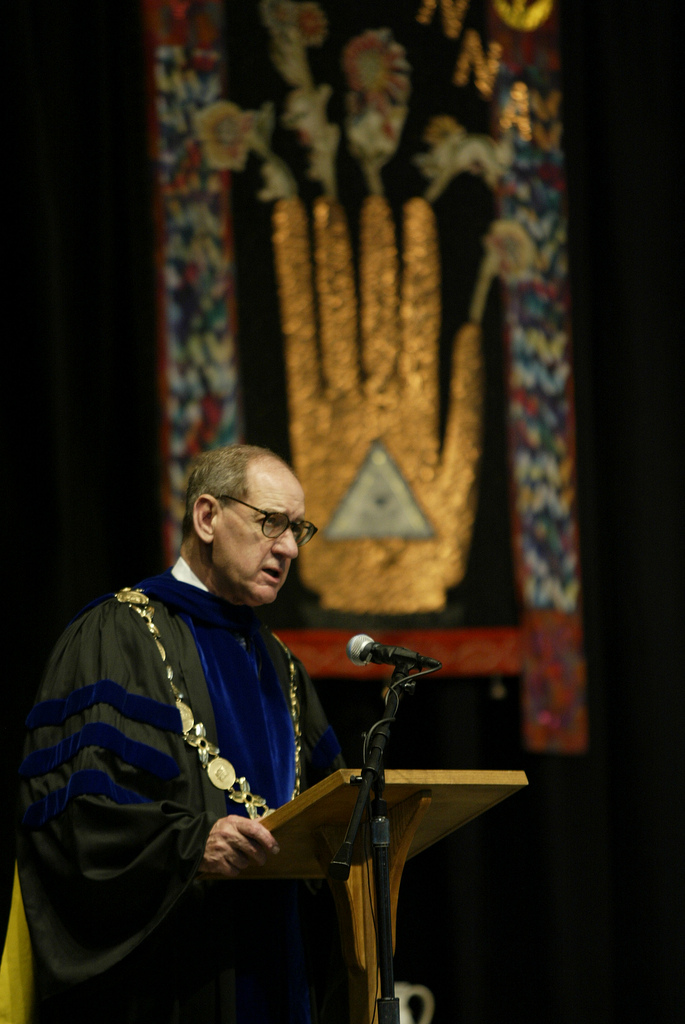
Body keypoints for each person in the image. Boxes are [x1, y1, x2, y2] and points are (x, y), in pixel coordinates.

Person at [16, 444, 346, 1024]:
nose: (290, 548)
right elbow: (75, 821)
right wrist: (192, 847)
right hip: (172, 982)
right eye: (272, 522)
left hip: (279, 978)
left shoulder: (284, 670)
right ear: (207, 517)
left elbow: (330, 816)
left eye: (299, 529)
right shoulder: (117, 633)